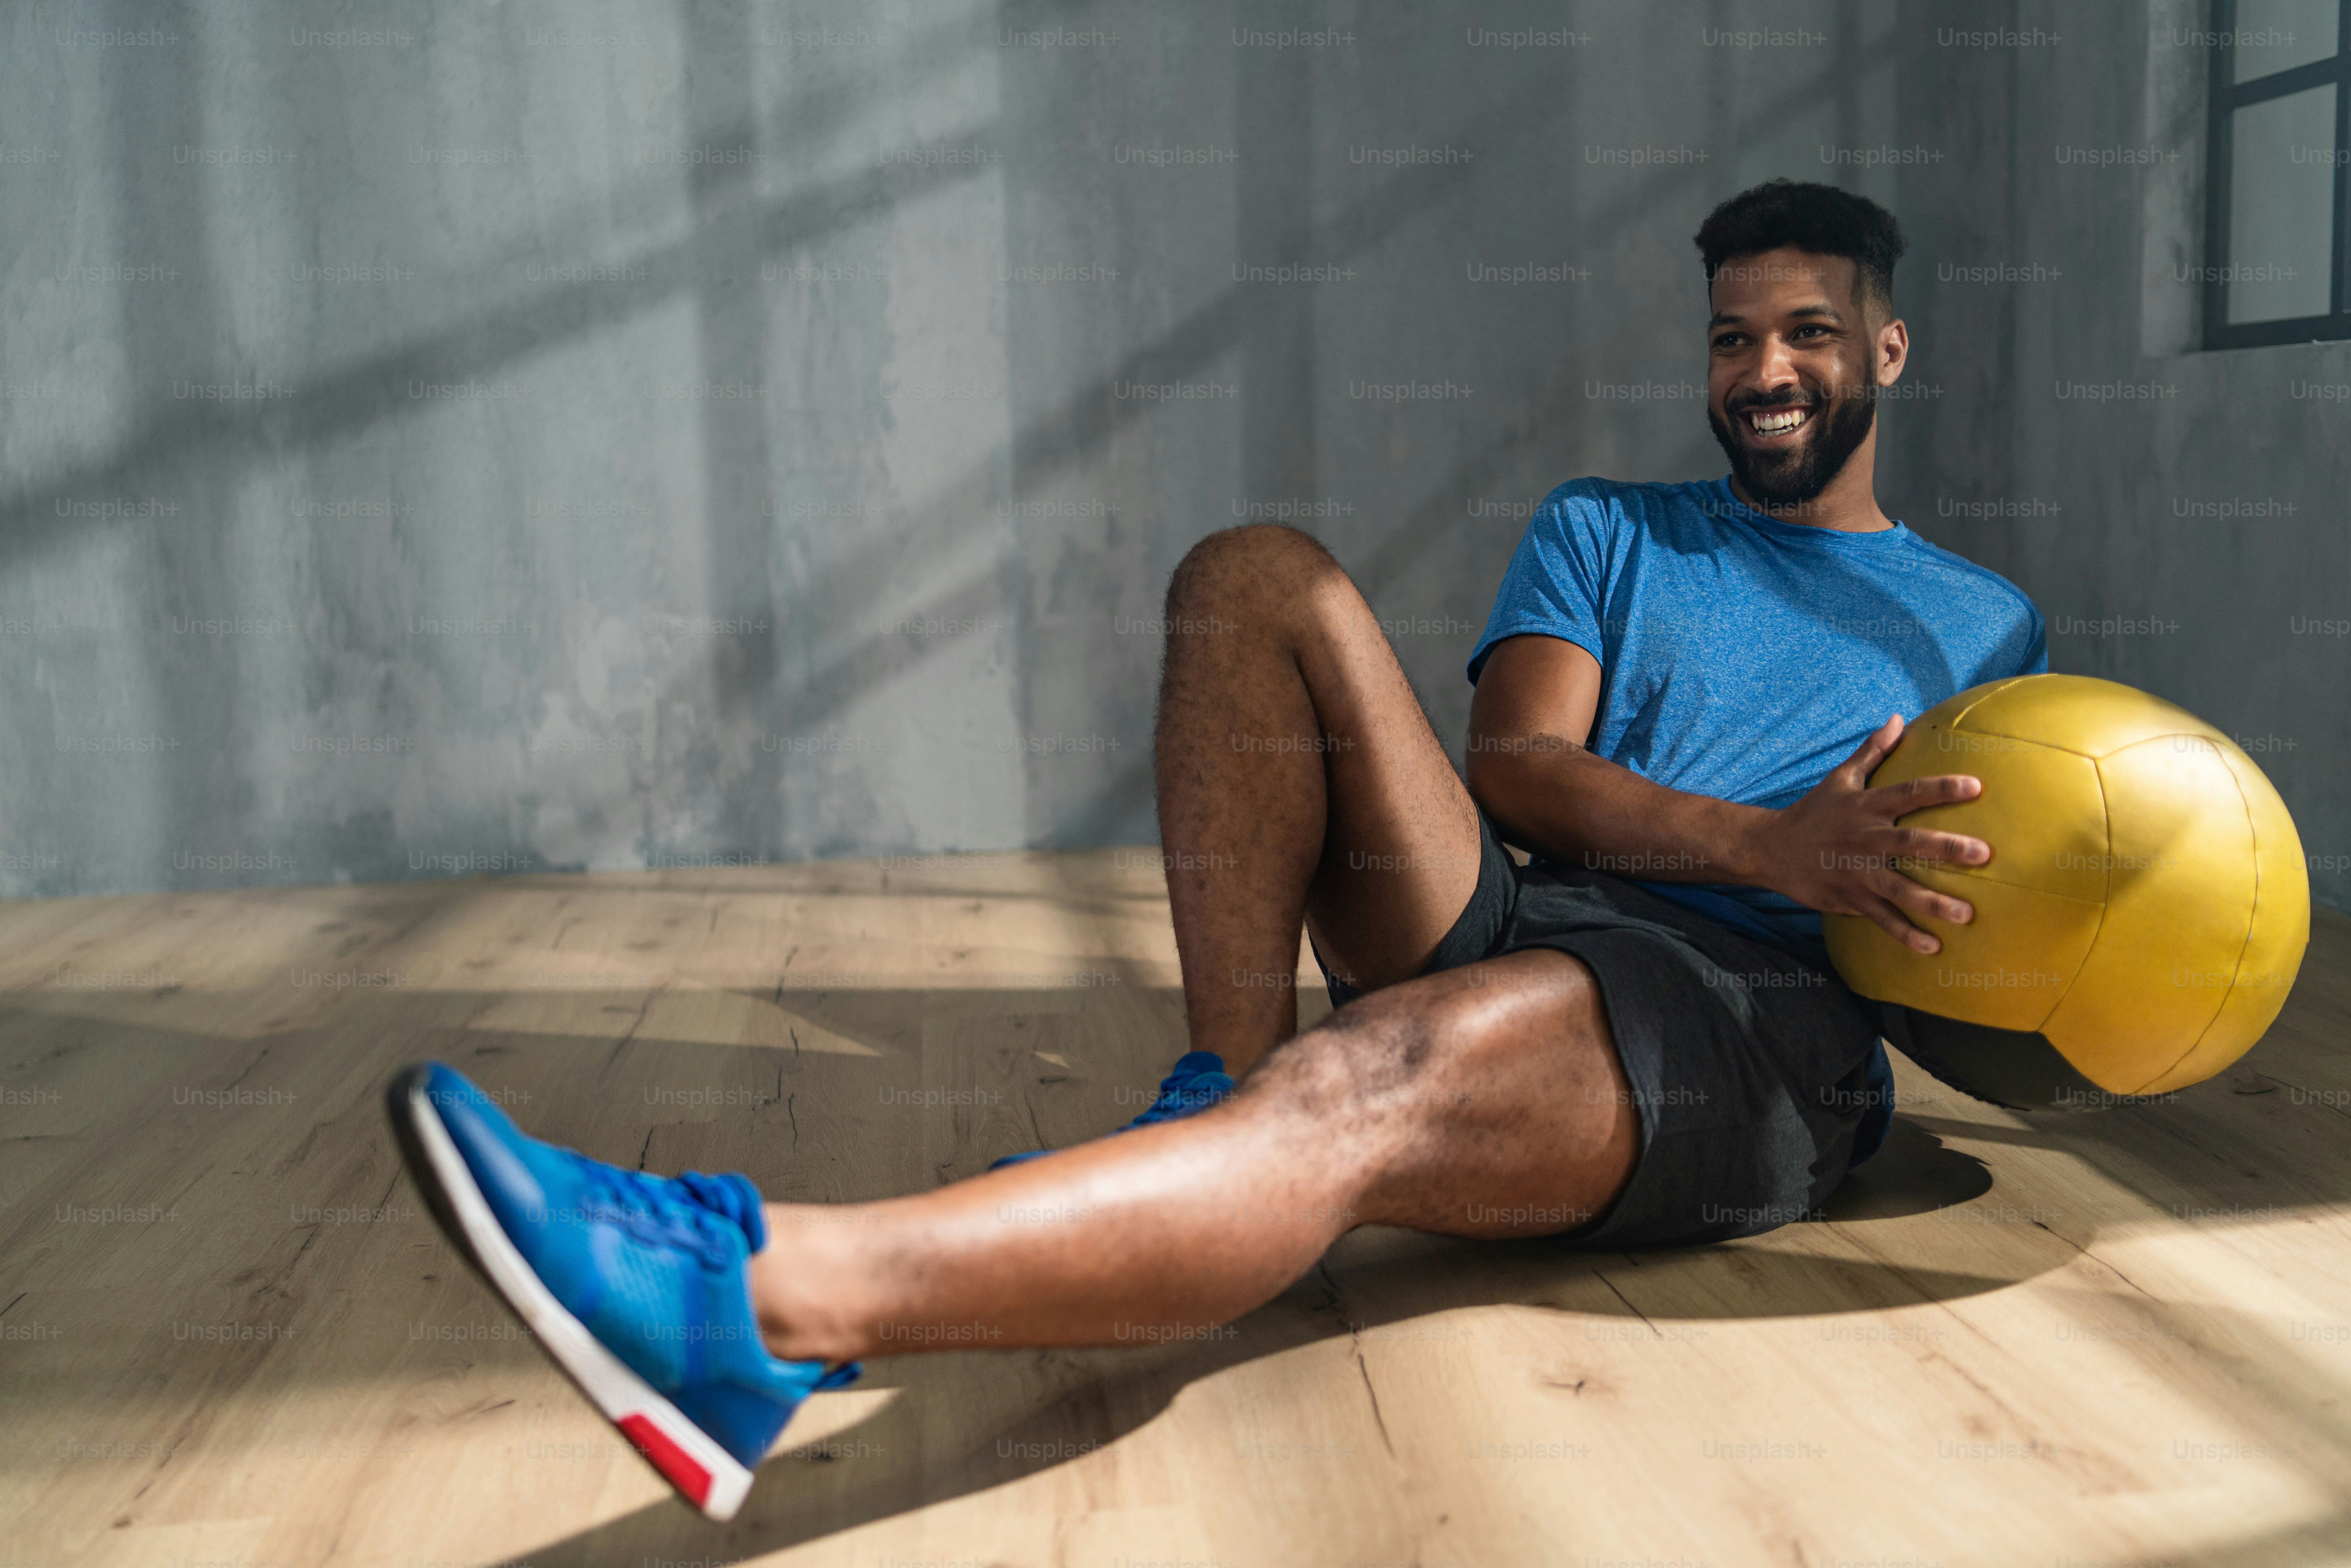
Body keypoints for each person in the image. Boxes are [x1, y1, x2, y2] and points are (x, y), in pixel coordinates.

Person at [386, 178, 2045, 1519]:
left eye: (1809, 333)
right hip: (1536, 900)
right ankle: (1217, 1102)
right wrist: (1769, 837)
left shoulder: (1983, 622)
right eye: (1732, 337)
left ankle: (752, 1308)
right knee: (1254, 573)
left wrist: (1932, 947)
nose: (1763, 371)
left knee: (1364, 1090)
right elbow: (1520, 766)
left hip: (1745, 1012)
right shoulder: (1611, 525)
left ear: (1887, 352)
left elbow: (1978, 922)